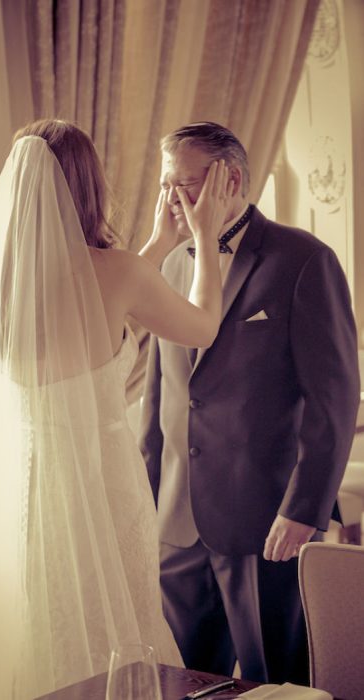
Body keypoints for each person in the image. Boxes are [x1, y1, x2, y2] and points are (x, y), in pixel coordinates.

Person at [0, 119, 232, 699]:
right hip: (100, 486)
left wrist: (156, 243)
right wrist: (202, 238)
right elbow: (201, 326)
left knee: (34, 626)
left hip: (22, 487)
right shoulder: (115, 272)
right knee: (113, 627)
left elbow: (91, 301)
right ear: (88, 186)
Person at [139, 121, 361, 685]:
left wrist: (304, 508)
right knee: (182, 681)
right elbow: (160, 396)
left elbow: (333, 399)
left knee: (275, 681)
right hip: (177, 521)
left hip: (265, 521)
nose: (171, 200)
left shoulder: (303, 259)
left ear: (230, 180)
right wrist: (143, 502)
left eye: (184, 186)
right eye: (165, 185)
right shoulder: (167, 263)